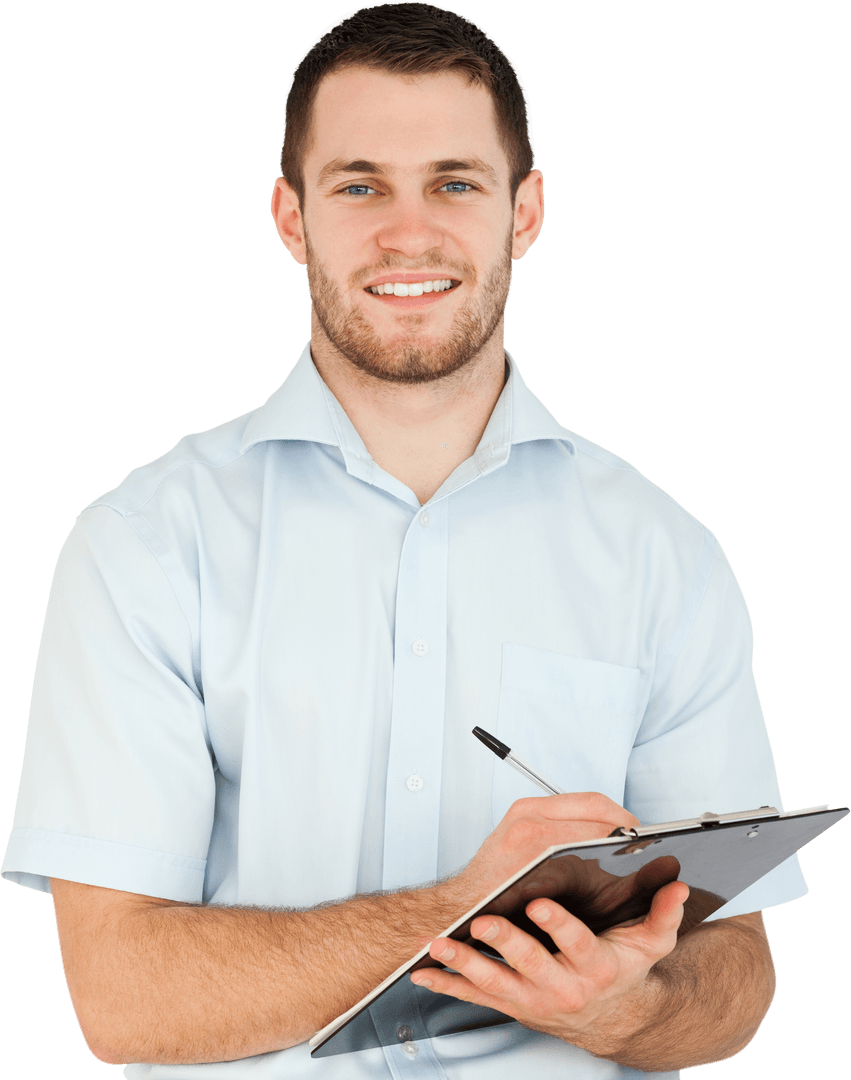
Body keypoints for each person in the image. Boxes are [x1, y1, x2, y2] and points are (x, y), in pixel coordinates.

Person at [1, 3, 807, 1078]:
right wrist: (460, 911)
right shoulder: (143, 544)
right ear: (291, 218)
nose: (408, 233)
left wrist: (622, 1010)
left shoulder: (664, 554)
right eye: (359, 186)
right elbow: (122, 999)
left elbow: (734, 972)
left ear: (524, 213)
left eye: (455, 184)